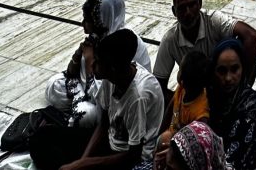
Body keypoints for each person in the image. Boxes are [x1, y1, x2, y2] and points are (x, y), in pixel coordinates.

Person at [34, 29, 164, 170]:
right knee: (41, 137)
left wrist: (83, 164)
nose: (92, 65)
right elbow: (103, 124)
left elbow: (133, 156)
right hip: (110, 142)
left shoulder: (138, 96)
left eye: (97, 62)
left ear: (112, 68)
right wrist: (83, 161)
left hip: (128, 158)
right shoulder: (112, 77)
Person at [44, 0, 152, 130]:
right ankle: (77, 103)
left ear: (100, 21)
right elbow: (71, 72)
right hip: (91, 90)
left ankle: (77, 110)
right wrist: (79, 54)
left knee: (85, 114)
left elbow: (100, 92)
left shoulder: (122, 43)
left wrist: (89, 58)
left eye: (87, 20)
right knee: (54, 85)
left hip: (117, 102)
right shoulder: (97, 37)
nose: (83, 24)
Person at [153, 0, 256, 96]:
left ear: (199, 4)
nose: (188, 12)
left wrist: (241, 88)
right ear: (174, 12)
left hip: (226, 88)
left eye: (192, 5)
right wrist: (180, 105)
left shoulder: (214, 20)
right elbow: (158, 85)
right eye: (182, 8)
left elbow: (252, 37)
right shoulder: (170, 39)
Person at [208, 38, 256, 170]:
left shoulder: (253, 106)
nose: (228, 78)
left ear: (243, 69)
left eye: (234, 69)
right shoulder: (209, 96)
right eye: (222, 71)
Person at [156, 50, 211, 162]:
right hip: (171, 138)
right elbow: (169, 111)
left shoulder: (201, 113)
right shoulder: (182, 89)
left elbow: (196, 144)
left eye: (180, 69)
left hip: (182, 151)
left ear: (182, 80)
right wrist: (158, 135)